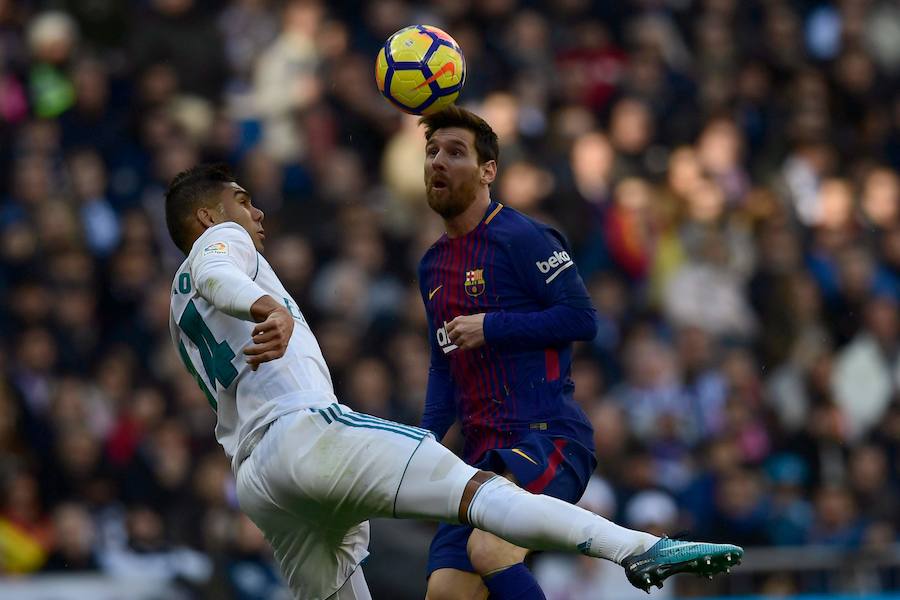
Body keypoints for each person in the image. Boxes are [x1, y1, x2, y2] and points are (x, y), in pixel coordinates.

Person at [165, 163, 743, 600]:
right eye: (243, 202)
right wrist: (269, 304)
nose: (257, 213)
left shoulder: (175, 304)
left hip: (258, 482)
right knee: (481, 495)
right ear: (208, 218)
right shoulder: (220, 246)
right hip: (303, 434)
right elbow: (218, 270)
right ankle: (643, 549)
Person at [416, 105, 599, 599]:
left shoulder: (522, 237)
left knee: (491, 551)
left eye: (455, 152)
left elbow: (583, 319)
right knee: (446, 594)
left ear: (487, 171)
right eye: (432, 151)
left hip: (546, 437)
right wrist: (419, 446)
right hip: (478, 456)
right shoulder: (431, 267)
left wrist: (492, 327)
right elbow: (443, 366)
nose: (438, 161)